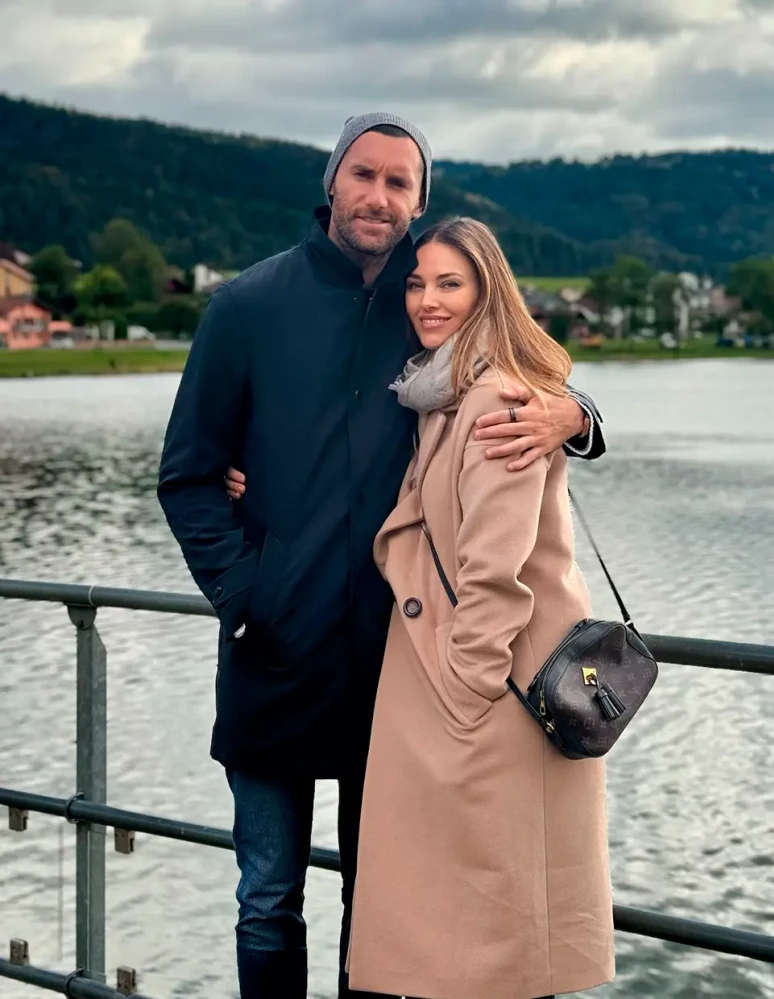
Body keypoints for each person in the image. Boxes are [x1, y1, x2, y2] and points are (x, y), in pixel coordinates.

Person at [158, 112, 606, 999]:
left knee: (392, 903)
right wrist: (247, 594)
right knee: (268, 898)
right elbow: (189, 477)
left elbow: (518, 368)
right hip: (273, 651)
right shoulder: (247, 306)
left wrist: (581, 414)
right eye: (364, 175)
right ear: (331, 183)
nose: (380, 196)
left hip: (402, 670)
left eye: (401, 183)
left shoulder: (432, 301)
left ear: (420, 202)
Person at [345, 217, 614, 999]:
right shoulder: (441, 389)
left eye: (449, 283)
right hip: (468, 697)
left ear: (486, 291)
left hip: (492, 704)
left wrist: (465, 692)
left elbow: (495, 571)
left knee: (497, 948)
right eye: (418, 281)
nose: (428, 299)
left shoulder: (494, 395)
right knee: (473, 943)